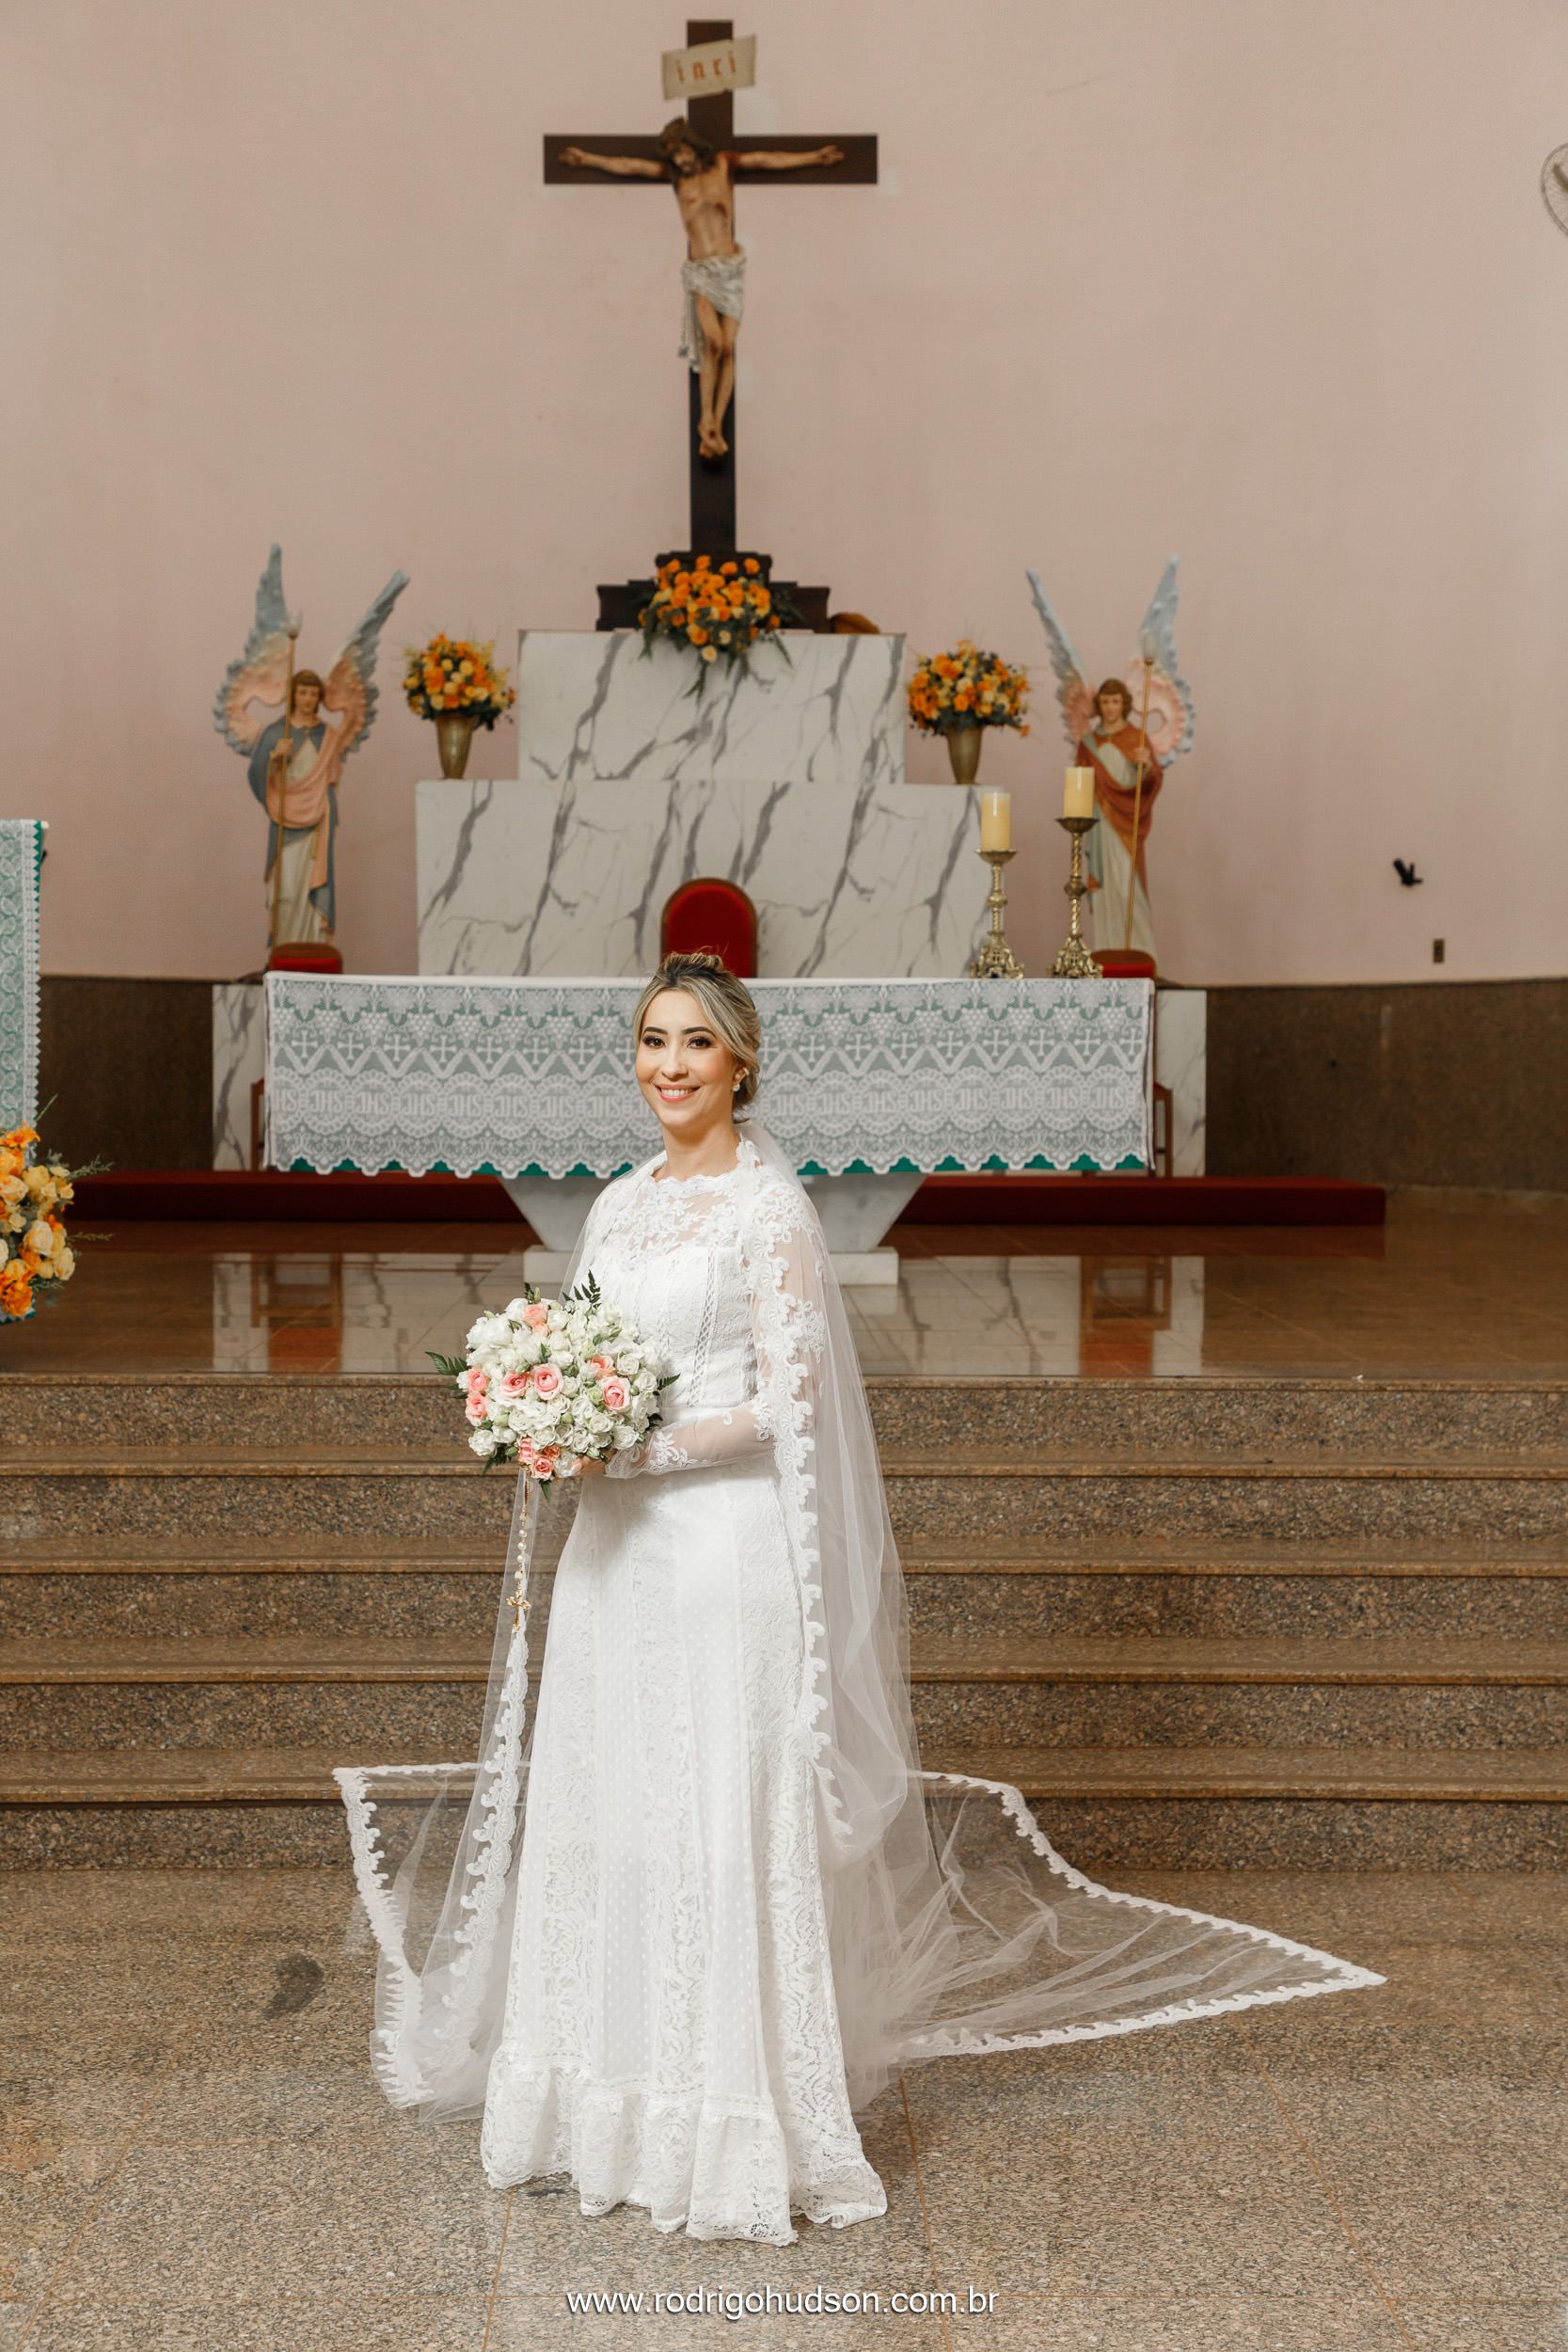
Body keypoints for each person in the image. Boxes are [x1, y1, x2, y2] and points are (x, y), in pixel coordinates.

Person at [338, 953, 1383, 2247]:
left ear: (740, 1064)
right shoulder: (614, 1206)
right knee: (612, 1815)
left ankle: (721, 2118)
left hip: (719, 1558)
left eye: (695, 1045)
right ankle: (591, 2103)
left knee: (716, 1820)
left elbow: (787, 1403)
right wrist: (544, 1411)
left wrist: (633, 1444)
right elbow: (583, 1345)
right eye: (652, 1041)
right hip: (610, 1558)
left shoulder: (766, 1213)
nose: (669, 1065)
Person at [558, 125, 846, 459]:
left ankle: (716, 425)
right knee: (713, 342)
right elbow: (629, 165)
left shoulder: (724, 164)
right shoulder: (675, 177)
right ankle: (705, 417)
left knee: (727, 350)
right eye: (674, 156)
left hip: (731, 269)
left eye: (683, 152)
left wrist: (813, 157)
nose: (680, 160)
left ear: (696, 148)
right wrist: (586, 158)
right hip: (701, 273)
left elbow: (767, 160)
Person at [1075, 677, 1164, 962]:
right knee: (1104, 893)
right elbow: (1080, 783)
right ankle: (1107, 953)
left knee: (1129, 888)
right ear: (1098, 705)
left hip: (1126, 824)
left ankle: (1141, 954)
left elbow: (1151, 781)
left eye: (1115, 701)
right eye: (1105, 701)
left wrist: (1146, 767)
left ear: (1124, 704)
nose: (1110, 707)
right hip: (1100, 824)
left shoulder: (1136, 739)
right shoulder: (1089, 743)